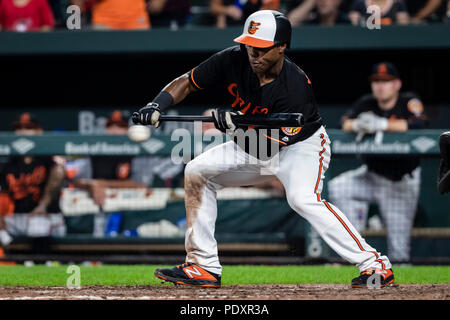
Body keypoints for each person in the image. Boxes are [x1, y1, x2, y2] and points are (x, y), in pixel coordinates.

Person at [134, 10, 395, 288]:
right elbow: (188, 80)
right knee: (197, 171)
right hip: (251, 139)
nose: (253, 54)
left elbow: (266, 151)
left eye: (261, 48)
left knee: (302, 199)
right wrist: (157, 104)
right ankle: (203, 266)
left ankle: (375, 265)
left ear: (282, 47)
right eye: (249, 45)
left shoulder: (295, 88)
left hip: (301, 147)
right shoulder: (233, 58)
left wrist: (232, 128)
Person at [328, 62, 428, 263]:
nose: (380, 86)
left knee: (399, 251)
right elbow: (343, 123)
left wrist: (382, 124)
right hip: (371, 176)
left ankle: (404, 288)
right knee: (337, 187)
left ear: (397, 84)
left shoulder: (408, 101)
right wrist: (357, 124)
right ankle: (356, 245)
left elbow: (419, 123)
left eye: (386, 81)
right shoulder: (366, 103)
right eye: (377, 82)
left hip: (400, 181)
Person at [0, 113, 66, 251]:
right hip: (17, 217)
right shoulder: (8, 161)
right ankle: (17, 264)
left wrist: (42, 206)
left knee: (37, 225)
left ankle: (41, 264)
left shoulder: (48, 156)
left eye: (28, 127)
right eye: (19, 128)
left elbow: (59, 172)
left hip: (46, 216)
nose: (23, 131)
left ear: (39, 132)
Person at [72, 110, 147, 207]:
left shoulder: (136, 150)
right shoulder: (95, 150)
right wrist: (92, 185)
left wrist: (101, 184)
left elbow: (141, 184)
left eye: (120, 127)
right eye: (110, 126)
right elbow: (77, 180)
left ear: (128, 130)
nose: (114, 131)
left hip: (130, 206)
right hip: (98, 204)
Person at [210, 0, 279, 28]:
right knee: (220, 17)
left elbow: (273, 11)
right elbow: (213, 8)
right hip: (230, 25)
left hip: (253, 26)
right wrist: (227, 10)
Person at [287, 0, 351, 26]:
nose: (322, 1)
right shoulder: (311, 24)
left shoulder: (347, 23)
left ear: (338, 1)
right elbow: (290, 22)